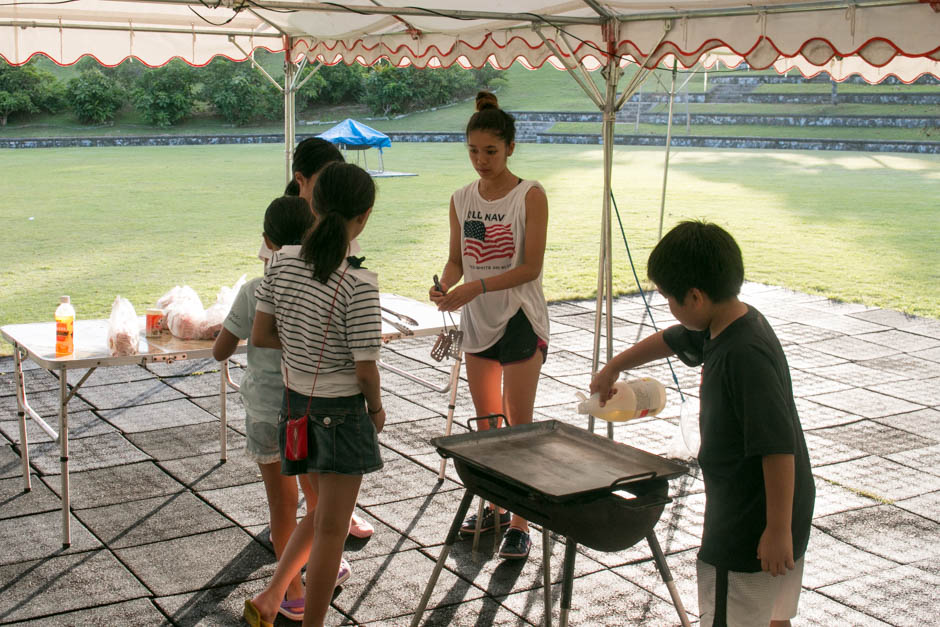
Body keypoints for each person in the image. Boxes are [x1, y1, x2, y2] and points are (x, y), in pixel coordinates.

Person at [589, 221, 815, 627]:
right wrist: (615, 366)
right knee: (774, 614)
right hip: (781, 508)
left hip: (751, 521)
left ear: (694, 296)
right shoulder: (728, 321)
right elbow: (675, 337)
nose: (669, 309)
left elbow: (777, 446)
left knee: (736, 615)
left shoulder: (742, 355)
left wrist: (776, 529)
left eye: (668, 299)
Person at [245, 163, 385, 627]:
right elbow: (365, 369)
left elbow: (262, 335)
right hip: (342, 413)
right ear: (363, 216)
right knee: (331, 530)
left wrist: (304, 348)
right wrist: (378, 407)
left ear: (315, 206)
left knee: (324, 511)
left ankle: (271, 596)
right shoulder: (359, 283)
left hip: (295, 407)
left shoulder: (280, 264)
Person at [430, 91, 550, 561]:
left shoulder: (530, 195)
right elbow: (459, 259)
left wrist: (477, 289)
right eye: (474, 152)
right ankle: (495, 506)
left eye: (491, 152)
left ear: (511, 148)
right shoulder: (462, 198)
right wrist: (444, 286)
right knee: (486, 426)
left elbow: (530, 268)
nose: (481, 161)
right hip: (476, 322)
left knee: (518, 426)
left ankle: (521, 523)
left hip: (519, 319)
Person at [261, 138, 375, 542]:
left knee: (321, 483)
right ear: (302, 181)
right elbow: (274, 316)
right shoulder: (283, 231)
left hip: (313, 378)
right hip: (304, 375)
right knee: (306, 476)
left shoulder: (345, 251)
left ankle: (326, 522)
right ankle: (321, 527)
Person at [213, 196, 318, 621]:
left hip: (263, 411)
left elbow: (221, 350)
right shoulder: (321, 285)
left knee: (281, 505)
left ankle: (292, 591)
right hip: (306, 409)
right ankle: (300, 579)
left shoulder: (254, 289)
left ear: (266, 241)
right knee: (318, 504)